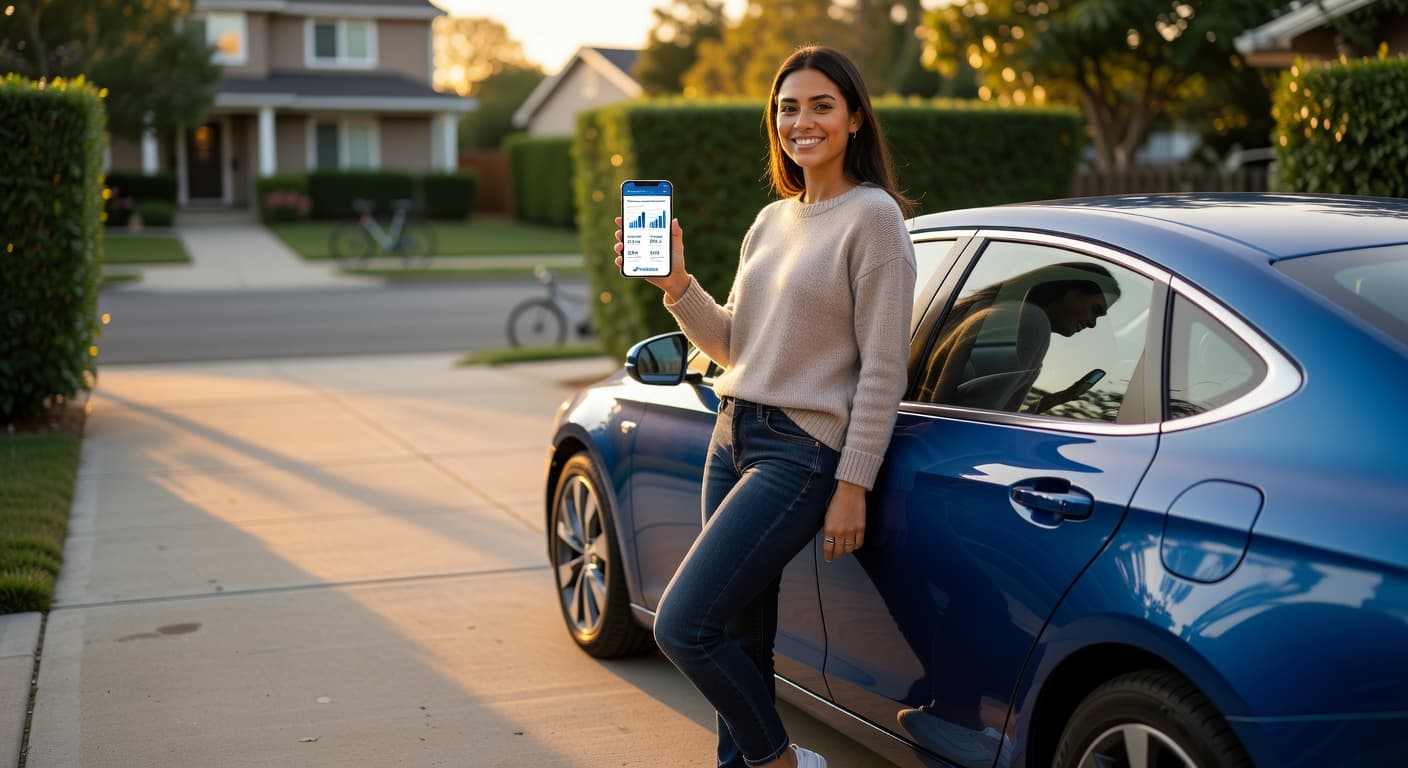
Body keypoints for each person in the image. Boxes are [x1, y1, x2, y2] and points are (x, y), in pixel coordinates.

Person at [613, 46, 917, 768]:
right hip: (733, 434)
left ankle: (778, 762)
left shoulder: (873, 219)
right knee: (740, 636)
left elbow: (883, 369)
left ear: (854, 119)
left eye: (820, 105)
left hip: (800, 455)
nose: (801, 121)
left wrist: (853, 484)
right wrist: (676, 284)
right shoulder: (771, 220)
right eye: (787, 107)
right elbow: (736, 346)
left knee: (683, 626)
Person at [914, 262, 1121, 414]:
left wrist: (1056, 400)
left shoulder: (986, 309)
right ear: (1069, 291)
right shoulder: (1028, 322)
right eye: (1095, 310)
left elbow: (976, 408)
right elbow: (975, 421)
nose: (1093, 324)